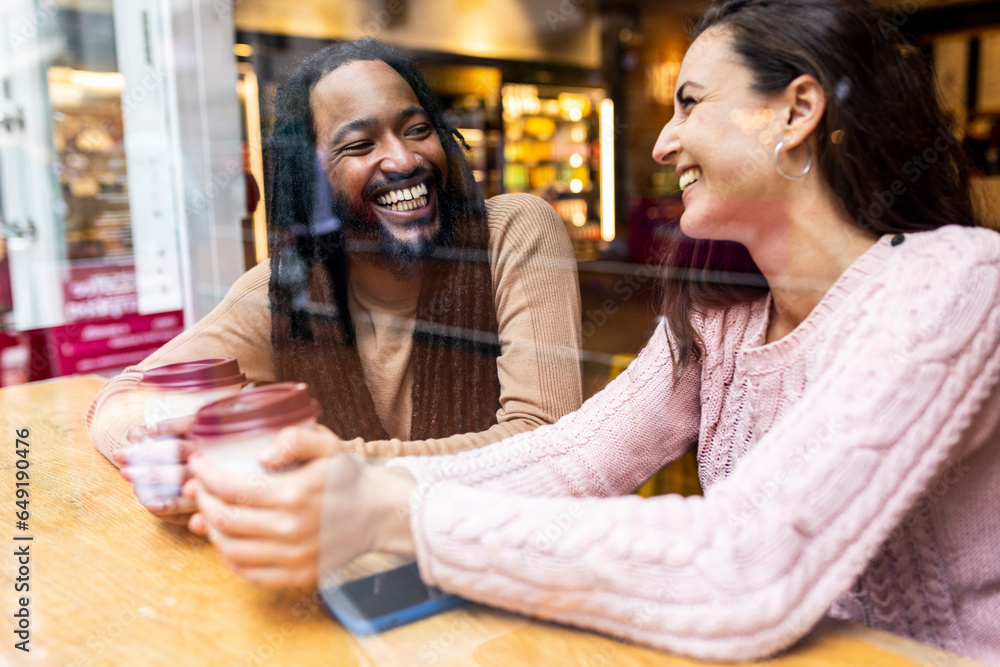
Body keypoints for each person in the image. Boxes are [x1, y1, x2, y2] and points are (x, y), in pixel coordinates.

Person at [185, 1, 1000, 663]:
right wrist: (354, 484)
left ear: (796, 111)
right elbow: (573, 458)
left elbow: (746, 565)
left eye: (690, 104)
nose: (661, 140)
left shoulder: (954, 281)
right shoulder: (722, 320)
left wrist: (386, 512)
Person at [87, 40, 583, 524]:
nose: (405, 160)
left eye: (417, 129)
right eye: (360, 144)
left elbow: (543, 443)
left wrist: (325, 470)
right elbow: (120, 398)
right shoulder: (285, 290)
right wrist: (166, 450)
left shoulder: (512, 230)